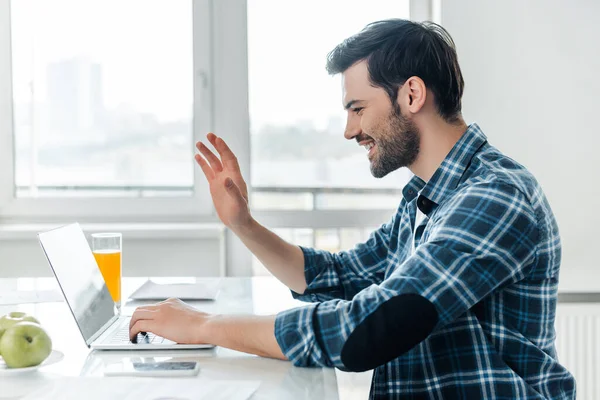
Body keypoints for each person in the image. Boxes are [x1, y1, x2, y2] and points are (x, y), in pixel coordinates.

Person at [129, 19, 576, 399]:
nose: (349, 130)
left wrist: (204, 326)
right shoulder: (426, 198)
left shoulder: (495, 197)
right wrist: (243, 224)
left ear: (412, 95)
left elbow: (367, 330)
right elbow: (339, 277)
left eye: (358, 108)